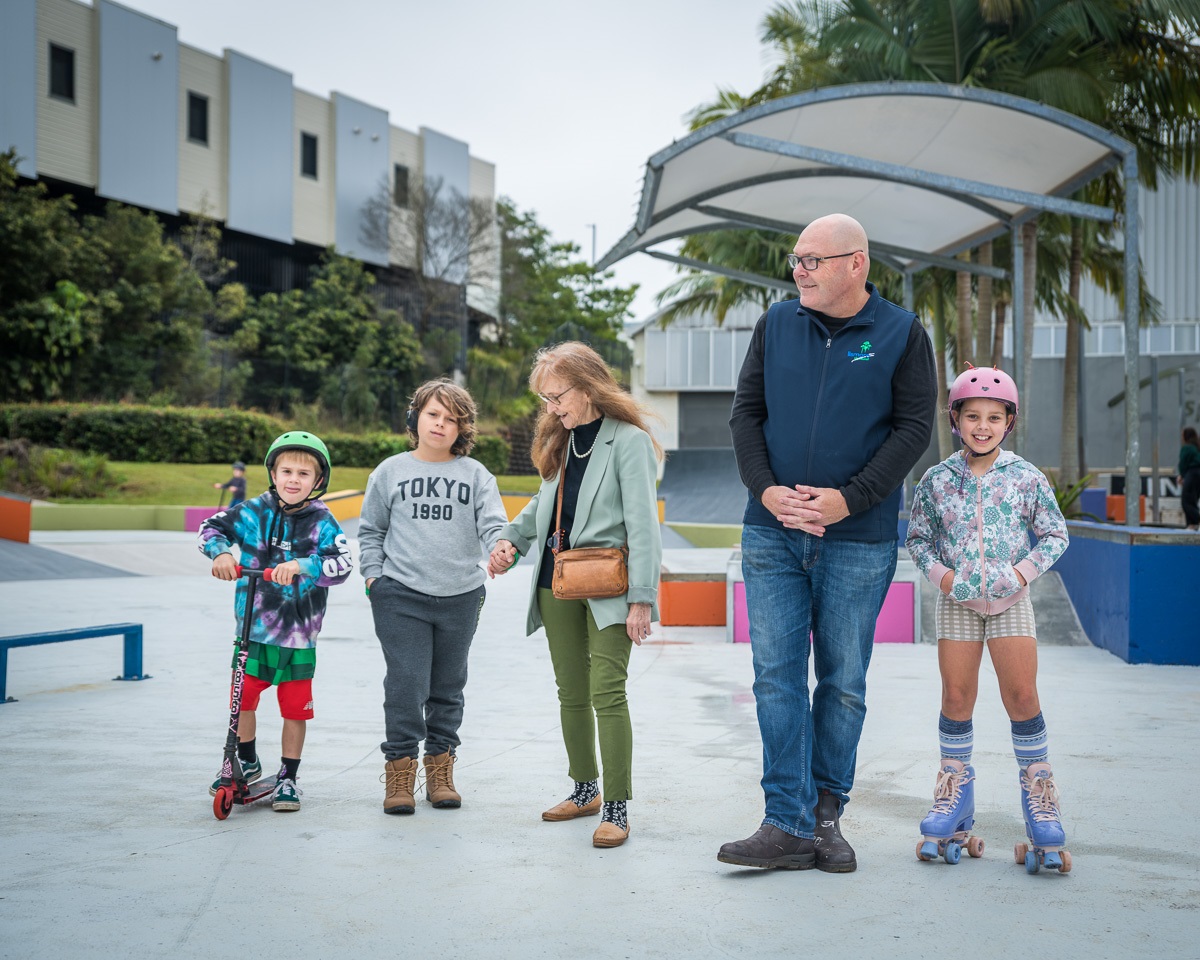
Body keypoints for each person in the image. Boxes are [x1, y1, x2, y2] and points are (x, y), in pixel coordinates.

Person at [719, 213, 937, 872]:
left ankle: (825, 818)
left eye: (814, 259)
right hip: (772, 534)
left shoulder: (902, 333)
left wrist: (849, 499)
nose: (800, 270)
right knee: (776, 680)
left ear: (856, 264)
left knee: (842, 684)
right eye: (797, 260)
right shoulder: (776, 325)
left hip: (859, 538)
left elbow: (913, 429)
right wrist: (765, 490)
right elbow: (745, 414)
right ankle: (783, 822)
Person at [487, 342, 662, 849]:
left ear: (587, 388)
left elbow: (644, 526)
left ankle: (616, 805)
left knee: (608, 691)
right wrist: (509, 542)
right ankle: (584, 790)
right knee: (571, 693)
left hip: (610, 585)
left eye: (556, 396)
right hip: (554, 581)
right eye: (545, 399)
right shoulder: (560, 441)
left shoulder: (628, 442)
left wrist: (642, 598)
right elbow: (542, 508)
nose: (551, 407)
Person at [905, 365, 1071, 870]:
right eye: (972, 416)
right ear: (955, 419)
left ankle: (1041, 803)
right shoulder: (937, 480)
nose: (983, 426)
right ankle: (953, 795)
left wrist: (1021, 573)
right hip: (956, 604)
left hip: (1010, 605)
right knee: (956, 698)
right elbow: (917, 539)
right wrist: (944, 578)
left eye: (993, 418)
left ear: (1008, 422)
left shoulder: (1026, 477)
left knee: (1022, 698)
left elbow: (1055, 535)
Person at [358, 379, 508, 816]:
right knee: (406, 685)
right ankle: (399, 773)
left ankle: (440, 770)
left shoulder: (477, 475)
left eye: (452, 419)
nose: (441, 425)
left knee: (448, 686)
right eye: (433, 415)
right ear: (415, 418)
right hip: (399, 594)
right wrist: (374, 579)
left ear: (463, 428)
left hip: (461, 596)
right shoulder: (389, 472)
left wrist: (501, 548)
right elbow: (370, 531)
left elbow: (494, 526)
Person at [199, 432, 353, 811]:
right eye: (286, 471)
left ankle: (288, 776)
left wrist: (304, 565)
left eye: (304, 473)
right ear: (273, 472)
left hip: (299, 635)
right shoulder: (254, 510)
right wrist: (219, 553)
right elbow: (210, 528)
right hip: (253, 629)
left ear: (318, 481)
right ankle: (247, 761)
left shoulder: (323, 521)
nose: (293, 479)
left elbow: (343, 564)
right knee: (243, 699)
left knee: (294, 707)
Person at [1177, 426, 1200, 530]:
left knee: (1186, 501)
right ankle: (1192, 524)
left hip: (1192, 473)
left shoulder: (1187, 448)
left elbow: (1183, 463)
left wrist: (1182, 476)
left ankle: (1196, 520)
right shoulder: (1197, 448)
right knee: (1193, 499)